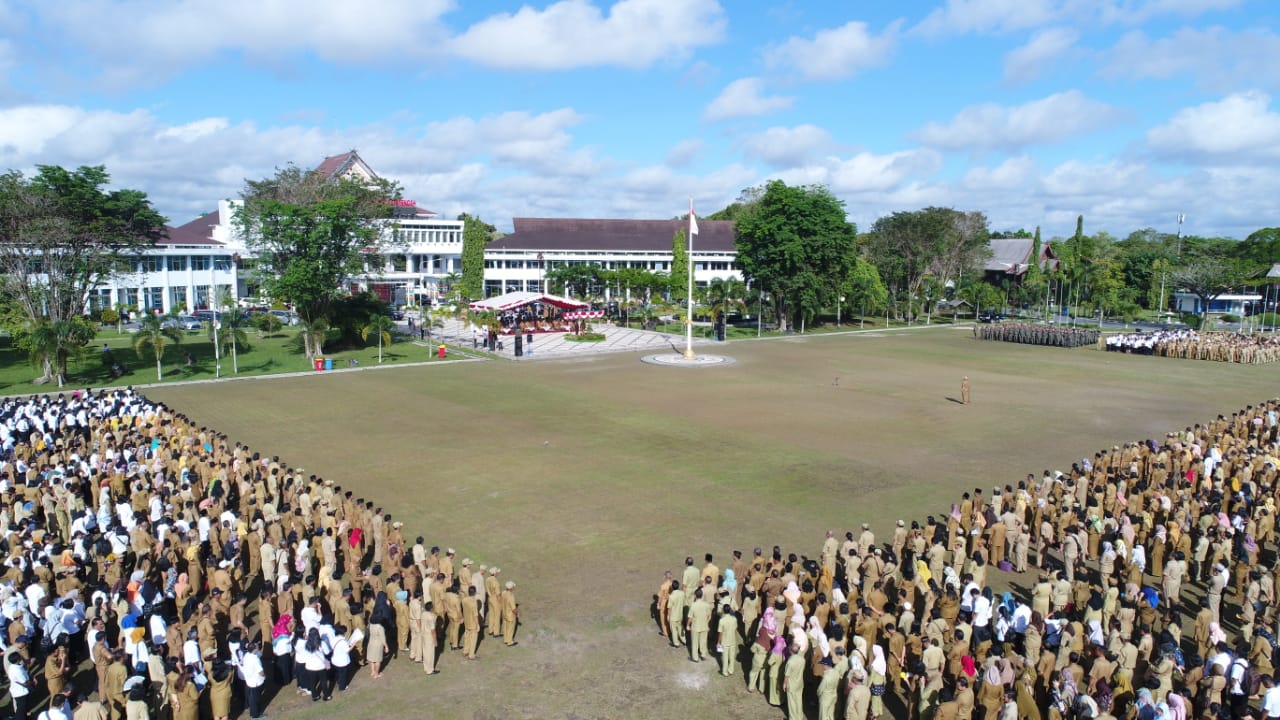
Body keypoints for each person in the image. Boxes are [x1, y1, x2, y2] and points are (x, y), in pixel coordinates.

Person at [240, 640, 266, 719]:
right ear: (254, 649)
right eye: (257, 646)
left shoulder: (247, 655)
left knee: (252, 698)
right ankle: (256, 714)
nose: (258, 647)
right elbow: (260, 671)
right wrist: (264, 676)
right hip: (256, 681)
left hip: (249, 680)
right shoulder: (255, 659)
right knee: (256, 699)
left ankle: (252, 712)